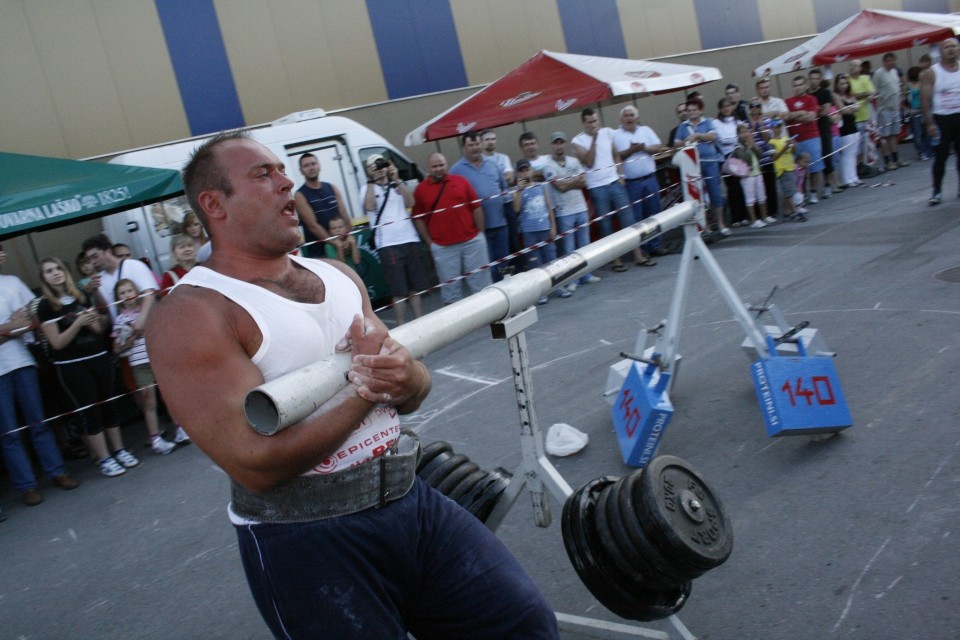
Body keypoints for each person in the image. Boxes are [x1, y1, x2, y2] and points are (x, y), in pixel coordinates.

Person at [146, 131, 558, 639]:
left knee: (521, 624)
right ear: (214, 204)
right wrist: (365, 389)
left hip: (407, 495)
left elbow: (410, 394)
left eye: (281, 169)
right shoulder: (192, 313)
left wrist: (405, 378)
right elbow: (253, 463)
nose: (286, 182)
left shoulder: (338, 274)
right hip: (307, 538)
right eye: (263, 175)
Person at [36, 257, 140, 477]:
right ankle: (104, 458)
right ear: (43, 278)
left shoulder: (80, 296)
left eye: (58, 268)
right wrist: (77, 323)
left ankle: (119, 450)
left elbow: (98, 329)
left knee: (109, 404)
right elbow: (57, 343)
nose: (55, 273)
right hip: (72, 365)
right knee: (89, 410)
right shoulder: (45, 306)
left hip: (98, 357)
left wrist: (93, 319)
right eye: (49, 271)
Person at [1, 247, 79, 505]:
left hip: (22, 362)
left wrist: (10, 328)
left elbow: (29, 324)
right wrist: (11, 326)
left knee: (38, 422)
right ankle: (26, 485)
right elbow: (18, 325)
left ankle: (57, 471)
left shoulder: (12, 282)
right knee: (9, 432)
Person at [412, 153, 492, 305]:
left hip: (472, 242)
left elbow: (476, 207)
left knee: (482, 284)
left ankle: (489, 312)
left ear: (446, 165)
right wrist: (429, 242)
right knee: (450, 290)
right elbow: (418, 218)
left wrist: (480, 234)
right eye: (434, 166)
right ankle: (457, 321)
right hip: (443, 247)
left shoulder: (461, 181)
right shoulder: (420, 190)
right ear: (428, 168)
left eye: (441, 165)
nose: (438, 169)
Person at [112, 279, 176, 455]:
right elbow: (117, 348)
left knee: (169, 396)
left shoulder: (147, 312)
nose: (127, 295)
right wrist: (131, 336)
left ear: (137, 292)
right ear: (117, 298)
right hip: (140, 364)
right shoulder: (119, 320)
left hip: (158, 358)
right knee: (149, 402)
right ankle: (155, 438)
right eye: (122, 293)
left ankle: (180, 429)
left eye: (130, 290)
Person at [572, 107, 641, 269]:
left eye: (595, 121)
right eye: (589, 122)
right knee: (606, 224)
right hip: (596, 187)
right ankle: (616, 259)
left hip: (614, 181)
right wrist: (595, 140)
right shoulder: (577, 141)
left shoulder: (609, 132)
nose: (593, 124)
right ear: (583, 123)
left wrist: (621, 175)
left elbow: (616, 154)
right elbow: (588, 162)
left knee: (628, 219)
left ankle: (638, 254)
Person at [361, 154, 426, 325]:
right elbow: (369, 206)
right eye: (375, 166)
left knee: (414, 288)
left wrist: (396, 178)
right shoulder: (367, 188)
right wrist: (371, 180)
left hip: (409, 239)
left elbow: (410, 201)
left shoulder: (396, 184)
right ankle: (401, 327)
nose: (380, 169)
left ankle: (422, 323)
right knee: (398, 290)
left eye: (381, 165)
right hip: (388, 244)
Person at [543, 132, 601, 291]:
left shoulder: (574, 161)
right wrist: (573, 180)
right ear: (552, 145)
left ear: (565, 144)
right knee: (569, 249)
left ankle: (586, 275)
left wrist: (568, 181)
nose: (559, 146)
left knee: (584, 244)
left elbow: (583, 182)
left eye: (561, 142)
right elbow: (559, 187)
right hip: (564, 211)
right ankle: (572, 279)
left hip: (580, 207)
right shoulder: (548, 166)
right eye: (556, 143)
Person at [450, 132, 510, 281]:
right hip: (477, 230)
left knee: (505, 264)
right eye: (471, 145)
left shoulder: (492, 164)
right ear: (464, 147)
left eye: (477, 144)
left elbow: (504, 188)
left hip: (501, 225)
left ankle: (510, 293)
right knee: (487, 267)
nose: (475, 148)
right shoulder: (456, 171)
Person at [512, 158, 569, 304]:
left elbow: (549, 207)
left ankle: (558, 286)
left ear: (531, 170)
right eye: (522, 171)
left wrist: (553, 226)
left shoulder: (541, 186)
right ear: (518, 174)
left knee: (551, 259)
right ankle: (541, 292)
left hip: (545, 228)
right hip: (529, 232)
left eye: (527, 169)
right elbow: (516, 209)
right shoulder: (517, 191)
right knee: (535, 262)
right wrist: (518, 190)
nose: (525, 173)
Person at [613, 105, 665, 262]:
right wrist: (631, 151)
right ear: (621, 119)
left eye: (632, 115)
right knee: (636, 217)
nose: (629, 118)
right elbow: (615, 156)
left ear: (637, 118)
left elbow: (658, 147)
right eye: (626, 116)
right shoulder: (615, 135)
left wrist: (644, 148)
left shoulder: (646, 130)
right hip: (631, 183)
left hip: (650, 179)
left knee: (654, 213)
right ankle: (641, 249)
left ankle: (656, 245)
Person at [675, 98, 729, 235]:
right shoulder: (683, 126)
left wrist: (697, 135)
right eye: (689, 110)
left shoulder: (708, 122)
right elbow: (676, 144)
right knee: (699, 197)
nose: (691, 113)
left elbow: (713, 137)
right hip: (692, 165)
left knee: (715, 194)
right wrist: (688, 140)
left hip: (710, 162)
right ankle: (705, 227)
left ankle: (721, 223)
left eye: (694, 110)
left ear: (700, 110)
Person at [82, 233, 157, 324]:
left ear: (108, 251)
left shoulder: (134, 265)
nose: (93, 262)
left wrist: (141, 320)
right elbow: (104, 312)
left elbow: (149, 294)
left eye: (95, 256)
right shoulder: (99, 279)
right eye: (90, 259)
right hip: (123, 330)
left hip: (150, 323)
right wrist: (95, 291)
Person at [921, 38, 960, 206]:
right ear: (941, 51)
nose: (950, 49)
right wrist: (929, 123)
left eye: (953, 46)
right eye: (946, 47)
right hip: (941, 119)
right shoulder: (931, 72)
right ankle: (936, 191)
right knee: (941, 157)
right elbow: (925, 100)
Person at [293, 153, 352, 257]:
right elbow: (313, 226)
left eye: (313, 164)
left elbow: (344, 215)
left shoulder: (332, 188)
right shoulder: (300, 195)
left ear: (319, 166)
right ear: (301, 170)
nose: (311, 168)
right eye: (306, 166)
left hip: (343, 249)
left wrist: (347, 238)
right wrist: (334, 243)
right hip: (320, 254)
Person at [787, 75, 825, 204]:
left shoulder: (812, 99)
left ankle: (813, 192)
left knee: (814, 166)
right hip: (795, 139)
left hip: (812, 137)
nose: (798, 87)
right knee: (798, 169)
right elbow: (786, 116)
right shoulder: (788, 101)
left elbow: (810, 117)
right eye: (795, 85)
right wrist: (801, 113)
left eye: (800, 85)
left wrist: (794, 116)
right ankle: (801, 193)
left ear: (805, 85)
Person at [730, 123, 772, 228]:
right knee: (750, 199)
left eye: (746, 131)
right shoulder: (737, 147)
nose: (745, 134)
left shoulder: (752, 142)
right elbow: (744, 158)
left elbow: (761, 154)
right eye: (742, 132)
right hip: (747, 176)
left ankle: (764, 217)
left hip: (757, 173)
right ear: (738, 135)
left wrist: (754, 147)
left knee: (762, 196)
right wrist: (749, 148)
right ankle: (753, 221)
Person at [873, 53, 909, 171]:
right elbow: (875, 90)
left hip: (895, 108)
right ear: (884, 62)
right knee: (885, 136)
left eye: (893, 60)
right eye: (889, 61)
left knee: (894, 134)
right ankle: (888, 161)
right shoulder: (879, 73)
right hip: (884, 109)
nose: (891, 63)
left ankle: (896, 159)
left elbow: (899, 86)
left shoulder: (895, 71)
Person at [715, 96, 748, 228]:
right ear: (720, 109)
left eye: (729, 105)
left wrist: (736, 139)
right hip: (727, 158)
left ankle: (744, 215)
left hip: (739, 155)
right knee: (732, 187)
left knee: (742, 186)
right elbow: (722, 140)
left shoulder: (738, 121)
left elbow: (744, 136)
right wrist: (736, 139)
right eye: (724, 106)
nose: (727, 108)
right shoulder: (716, 123)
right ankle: (735, 217)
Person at [808, 68, 839, 195]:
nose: (814, 81)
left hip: (824, 127)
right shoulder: (807, 94)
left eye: (816, 78)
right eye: (812, 79)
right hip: (811, 129)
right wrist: (816, 110)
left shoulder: (825, 92)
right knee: (814, 158)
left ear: (820, 79)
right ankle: (813, 189)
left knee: (827, 154)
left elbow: (825, 110)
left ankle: (829, 184)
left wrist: (814, 112)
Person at [768, 120, 805, 221]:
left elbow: (793, 151)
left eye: (780, 126)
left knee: (788, 190)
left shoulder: (785, 138)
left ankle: (788, 211)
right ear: (772, 129)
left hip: (790, 167)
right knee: (789, 192)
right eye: (776, 127)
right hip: (782, 169)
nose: (779, 129)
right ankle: (795, 212)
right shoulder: (771, 142)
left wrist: (793, 145)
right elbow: (774, 157)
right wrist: (785, 147)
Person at [833, 74, 862, 188]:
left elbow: (858, 106)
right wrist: (853, 108)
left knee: (854, 153)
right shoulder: (835, 95)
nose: (844, 86)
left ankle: (854, 176)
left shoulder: (849, 95)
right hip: (844, 128)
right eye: (841, 84)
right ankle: (847, 179)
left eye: (845, 83)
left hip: (853, 126)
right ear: (836, 85)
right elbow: (843, 110)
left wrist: (852, 108)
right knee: (847, 154)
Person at [848, 59, 877, 168]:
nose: (852, 68)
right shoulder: (847, 80)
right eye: (851, 66)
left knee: (865, 144)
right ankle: (855, 167)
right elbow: (852, 96)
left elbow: (872, 92)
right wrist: (866, 94)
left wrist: (869, 95)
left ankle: (862, 165)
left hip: (865, 116)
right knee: (856, 146)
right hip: (854, 118)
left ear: (860, 68)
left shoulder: (865, 78)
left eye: (855, 66)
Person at [906, 66, 933, 161]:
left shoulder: (922, 83)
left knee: (926, 132)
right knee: (917, 133)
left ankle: (928, 150)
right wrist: (908, 109)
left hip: (924, 110)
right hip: (915, 111)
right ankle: (920, 152)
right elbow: (905, 99)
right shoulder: (908, 85)